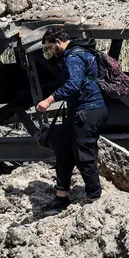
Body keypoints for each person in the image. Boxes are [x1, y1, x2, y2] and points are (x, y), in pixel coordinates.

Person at [35, 28, 108, 215]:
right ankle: (61, 196)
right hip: (82, 110)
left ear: (59, 42)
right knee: (63, 148)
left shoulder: (73, 57)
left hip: (88, 111)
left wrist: (49, 100)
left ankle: (94, 199)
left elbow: (74, 84)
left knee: (84, 155)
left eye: (50, 47)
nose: (50, 52)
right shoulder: (82, 52)